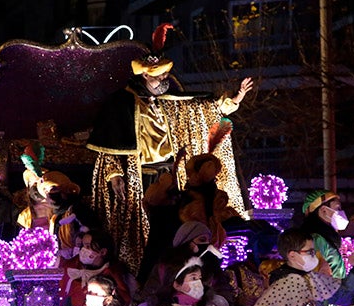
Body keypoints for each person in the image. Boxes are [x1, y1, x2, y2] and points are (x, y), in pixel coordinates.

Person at [86, 22, 253, 275]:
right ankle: (144, 272)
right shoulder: (120, 103)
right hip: (140, 178)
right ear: (145, 75)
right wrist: (114, 174)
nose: (165, 80)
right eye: (160, 76)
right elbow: (108, 147)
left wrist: (234, 100)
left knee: (175, 225)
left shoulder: (170, 103)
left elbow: (206, 109)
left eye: (165, 75)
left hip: (172, 176)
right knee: (144, 230)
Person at [58, 227, 135, 306]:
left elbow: (124, 302)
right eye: (83, 245)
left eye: (88, 246)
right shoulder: (75, 266)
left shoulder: (113, 273)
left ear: (102, 252)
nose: (83, 250)